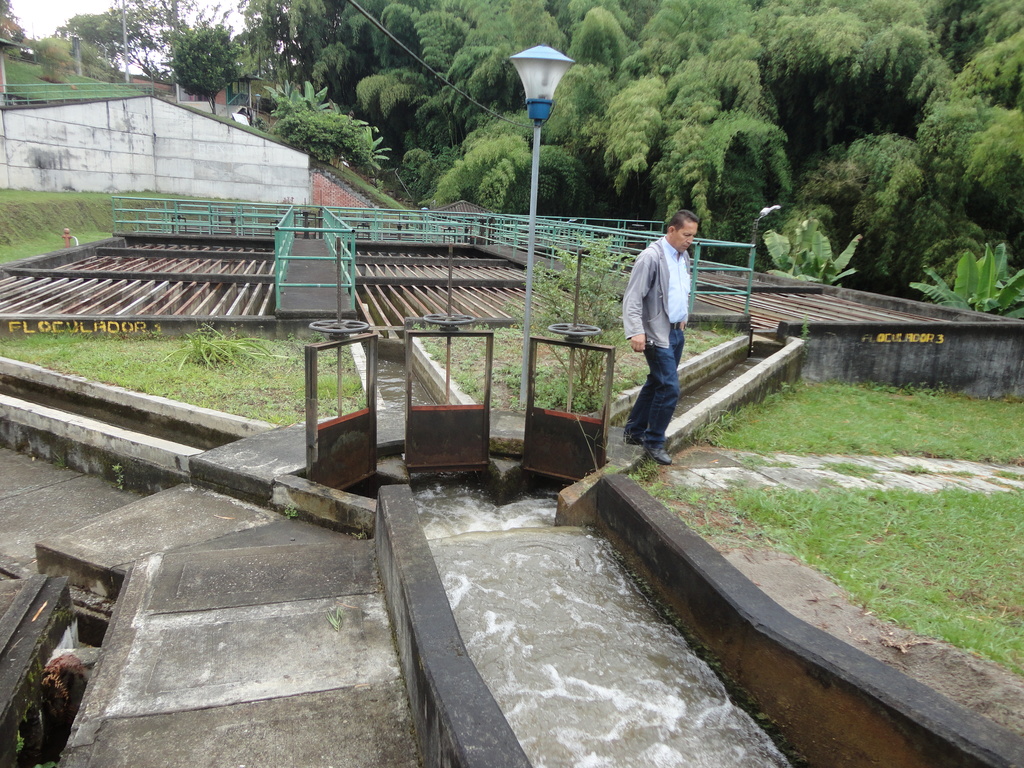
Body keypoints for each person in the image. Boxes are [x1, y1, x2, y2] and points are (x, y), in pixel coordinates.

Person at [621, 209, 700, 465]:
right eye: (686, 235)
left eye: (693, 236)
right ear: (672, 230)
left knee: (657, 382)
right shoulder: (650, 258)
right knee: (669, 388)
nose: (689, 240)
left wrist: (683, 315)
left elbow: (680, 289)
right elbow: (633, 297)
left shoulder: (683, 256)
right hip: (656, 334)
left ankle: (633, 431)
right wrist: (636, 331)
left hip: (676, 331)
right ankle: (654, 441)